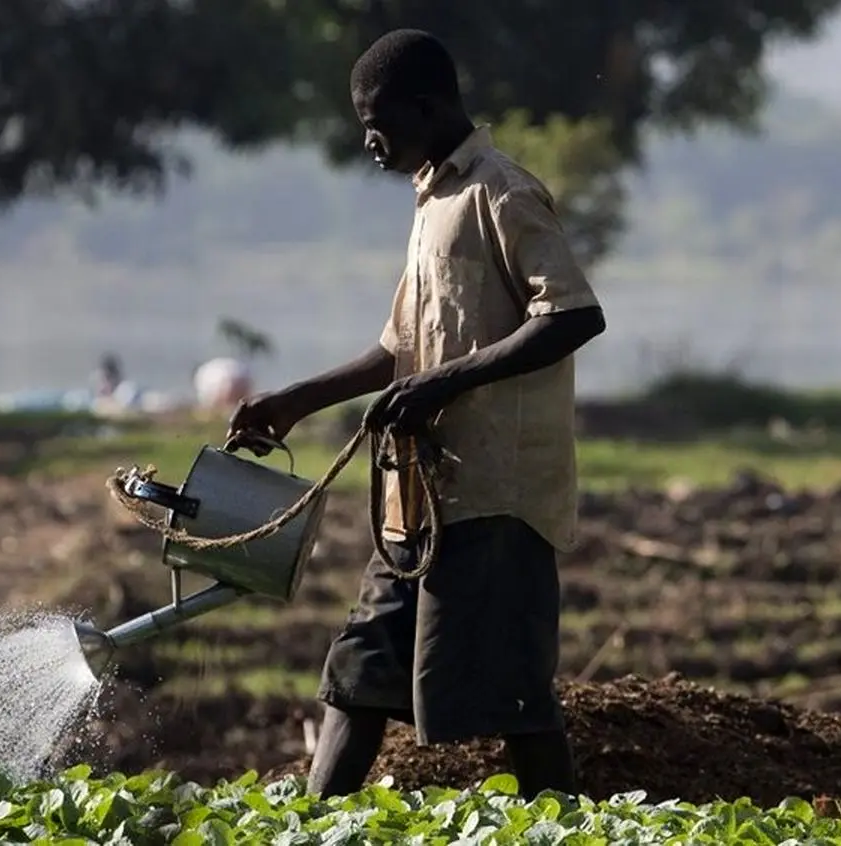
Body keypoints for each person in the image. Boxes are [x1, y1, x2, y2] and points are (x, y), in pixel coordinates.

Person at [225, 29, 606, 801]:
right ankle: (310, 822)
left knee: (514, 693)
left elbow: (572, 315)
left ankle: (567, 824)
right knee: (360, 668)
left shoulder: (501, 192)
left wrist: (445, 384)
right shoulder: (432, 199)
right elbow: (401, 349)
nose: (369, 140)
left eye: (378, 121)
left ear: (429, 109)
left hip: (496, 496)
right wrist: (292, 403)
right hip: (420, 498)